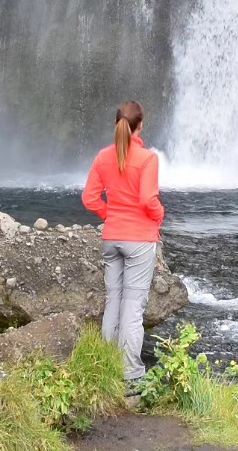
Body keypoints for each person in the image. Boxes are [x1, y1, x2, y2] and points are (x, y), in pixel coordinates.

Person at [81, 100, 165, 389]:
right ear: (140, 125)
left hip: (112, 238)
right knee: (132, 308)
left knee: (113, 303)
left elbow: (89, 198)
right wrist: (159, 217)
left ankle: (105, 366)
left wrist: (110, 215)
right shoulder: (148, 159)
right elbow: (147, 200)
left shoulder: (103, 157)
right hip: (139, 240)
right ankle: (130, 378)